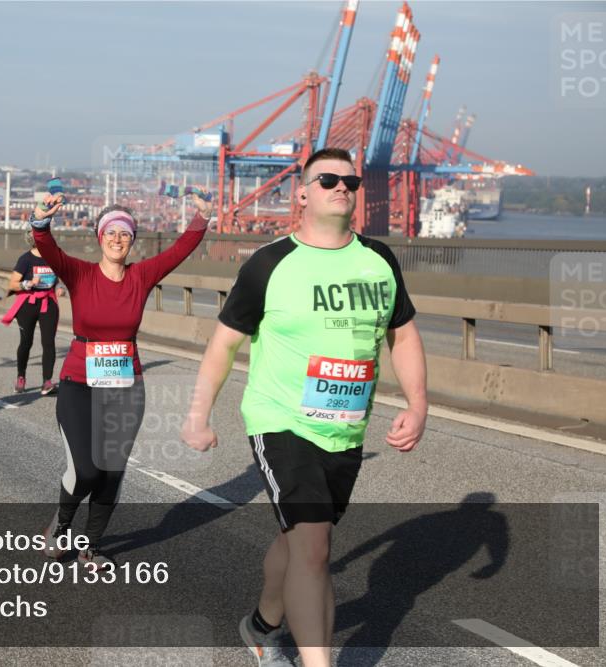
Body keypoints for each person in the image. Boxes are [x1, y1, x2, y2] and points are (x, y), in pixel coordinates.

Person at [180, 148, 427, 667]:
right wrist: (197, 415)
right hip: (281, 421)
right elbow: (223, 343)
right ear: (303, 193)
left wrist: (418, 404)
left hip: (345, 429)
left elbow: (401, 334)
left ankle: (263, 623)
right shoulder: (270, 263)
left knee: (300, 542)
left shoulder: (379, 259)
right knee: (314, 547)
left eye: (351, 181)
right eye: (329, 179)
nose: (343, 187)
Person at [32, 189, 213, 569]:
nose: (118, 239)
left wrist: (201, 219)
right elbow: (48, 250)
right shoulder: (80, 273)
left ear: (132, 241)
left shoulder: (141, 276)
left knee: (111, 472)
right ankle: (62, 525)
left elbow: (178, 252)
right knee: (86, 470)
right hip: (80, 383)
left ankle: (92, 546)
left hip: (126, 387)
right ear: (100, 238)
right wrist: (41, 221)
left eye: (125, 234)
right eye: (111, 233)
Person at [1, 229, 65, 396]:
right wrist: (28, 283)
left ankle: (47, 382)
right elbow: (13, 284)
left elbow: (57, 278)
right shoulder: (26, 259)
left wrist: (59, 288)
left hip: (48, 303)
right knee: (26, 342)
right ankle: (21, 377)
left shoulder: (53, 257)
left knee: (49, 343)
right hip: (28, 305)